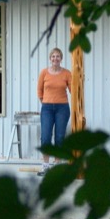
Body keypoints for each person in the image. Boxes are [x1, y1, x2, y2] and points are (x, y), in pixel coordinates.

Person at [36, 47, 72, 176]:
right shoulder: (44, 73)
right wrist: (45, 101)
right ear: (50, 58)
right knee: (45, 137)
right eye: (53, 56)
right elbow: (39, 91)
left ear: (61, 59)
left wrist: (80, 81)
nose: (55, 59)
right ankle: (45, 166)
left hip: (62, 108)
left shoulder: (67, 73)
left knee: (59, 137)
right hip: (47, 108)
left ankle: (56, 166)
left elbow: (73, 90)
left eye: (58, 56)